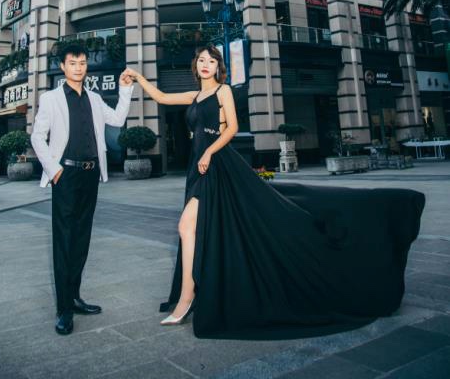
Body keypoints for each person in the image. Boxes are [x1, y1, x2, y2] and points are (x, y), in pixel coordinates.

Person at [124, 44, 425, 340]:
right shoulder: (195, 95)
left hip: (216, 163)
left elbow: (232, 128)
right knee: (191, 228)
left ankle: (187, 298)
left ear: (218, 67)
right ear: (196, 65)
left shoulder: (222, 91)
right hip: (198, 166)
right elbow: (161, 96)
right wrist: (138, 77)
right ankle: (189, 294)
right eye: (202, 60)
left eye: (211, 61)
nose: (206, 65)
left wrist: (209, 152)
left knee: (186, 226)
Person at [31, 43, 134, 335]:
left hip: (90, 174)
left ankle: (74, 297)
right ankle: (64, 308)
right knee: (64, 240)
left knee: (81, 239)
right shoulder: (50, 99)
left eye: (83, 63)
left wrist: (125, 89)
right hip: (65, 175)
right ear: (63, 67)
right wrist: (54, 170)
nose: (79, 68)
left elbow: (118, 119)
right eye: (73, 63)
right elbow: (38, 137)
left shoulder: (94, 98)